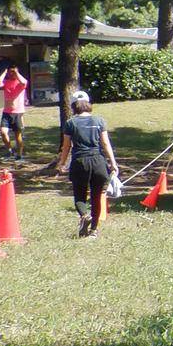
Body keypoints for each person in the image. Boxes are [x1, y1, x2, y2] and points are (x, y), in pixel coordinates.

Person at [53, 89, 118, 238]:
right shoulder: (99, 121)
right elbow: (106, 143)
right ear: (88, 104)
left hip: (80, 162)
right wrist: (112, 162)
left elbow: (66, 146)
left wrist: (62, 163)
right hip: (98, 162)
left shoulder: (71, 123)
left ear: (74, 106)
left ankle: (84, 215)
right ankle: (93, 231)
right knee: (96, 197)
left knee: (79, 195)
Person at [0, 60, 29, 159]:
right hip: (6, 112)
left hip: (17, 113)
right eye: (10, 72)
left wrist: (17, 73)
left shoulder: (21, 83)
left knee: (18, 136)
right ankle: (9, 151)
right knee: (3, 132)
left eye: (13, 72)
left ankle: (19, 155)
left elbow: (24, 82)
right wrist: (5, 72)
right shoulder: (6, 82)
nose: (12, 74)